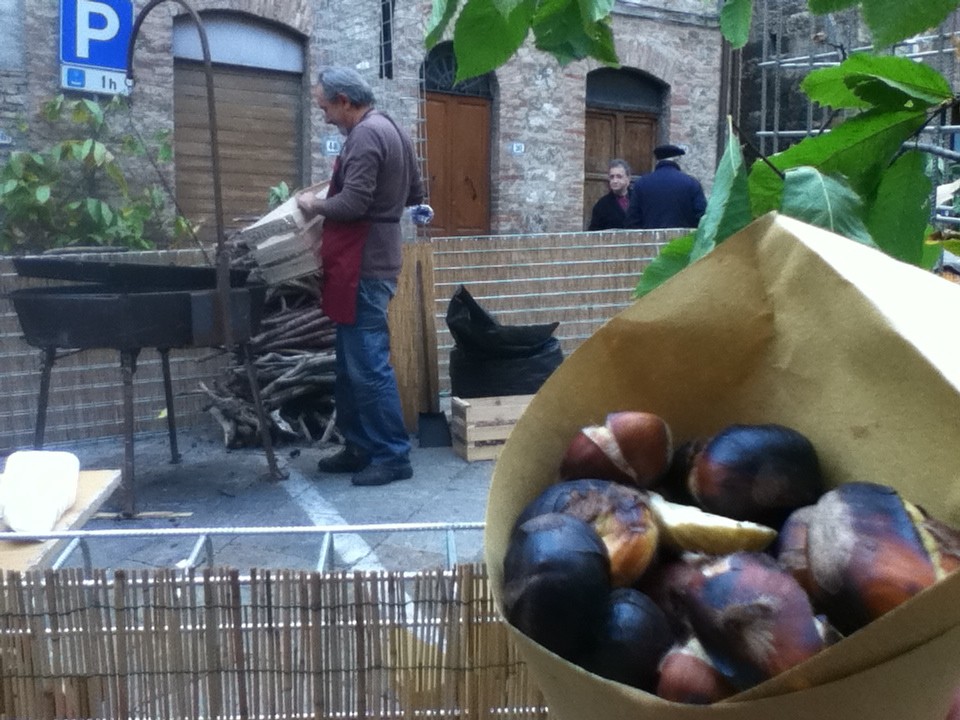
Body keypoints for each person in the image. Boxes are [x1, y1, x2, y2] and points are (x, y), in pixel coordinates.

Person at [297, 66, 426, 487]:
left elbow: (352, 204)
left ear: (345, 101)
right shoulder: (393, 129)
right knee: (352, 365)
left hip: (364, 266)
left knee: (368, 365)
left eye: (325, 107)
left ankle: (391, 455)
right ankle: (359, 447)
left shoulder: (368, 135)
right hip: (373, 260)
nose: (324, 115)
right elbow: (414, 193)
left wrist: (311, 205)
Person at [626, 144, 707, 229]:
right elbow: (702, 217)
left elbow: (632, 219)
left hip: (650, 240)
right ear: (677, 160)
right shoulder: (691, 183)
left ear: (657, 160)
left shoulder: (641, 184)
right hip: (683, 240)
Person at [587, 159, 632, 230]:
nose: (615, 181)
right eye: (612, 177)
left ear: (628, 178)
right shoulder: (601, 205)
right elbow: (594, 233)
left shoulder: (638, 200)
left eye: (619, 177)